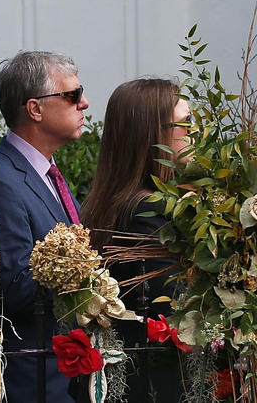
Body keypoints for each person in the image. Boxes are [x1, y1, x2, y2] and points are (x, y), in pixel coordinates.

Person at [0, 51, 89, 403]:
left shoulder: (44, 171)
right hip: (31, 378)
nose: (84, 103)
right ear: (35, 109)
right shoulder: (0, 182)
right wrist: (85, 275)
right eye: (72, 95)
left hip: (60, 373)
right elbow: (14, 288)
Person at [80, 78, 190, 402]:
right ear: (152, 135)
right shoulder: (147, 209)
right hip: (157, 383)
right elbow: (177, 304)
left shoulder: (117, 201)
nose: (195, 134)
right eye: (185, 124)